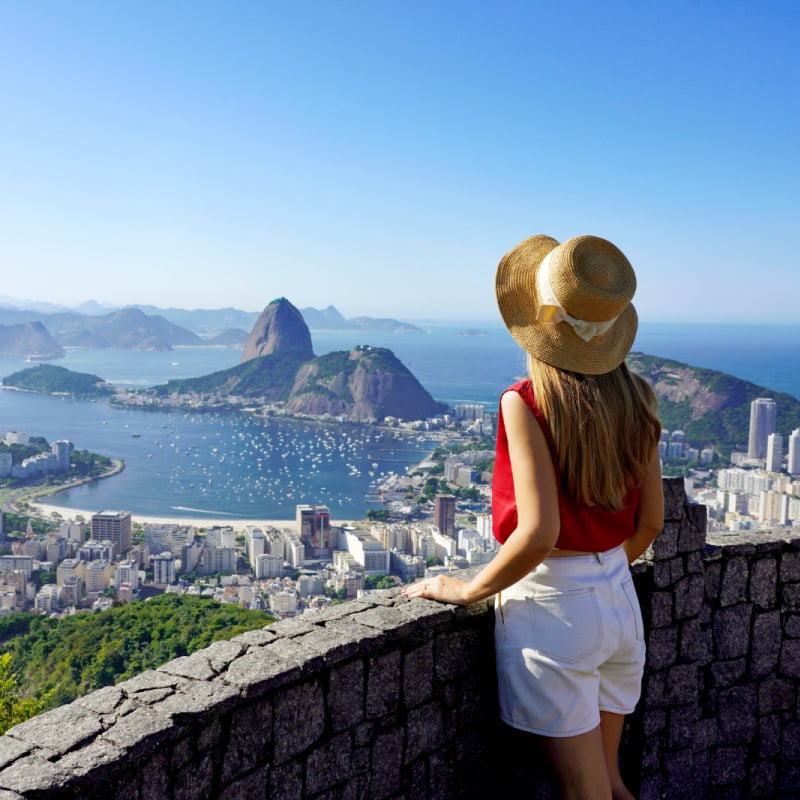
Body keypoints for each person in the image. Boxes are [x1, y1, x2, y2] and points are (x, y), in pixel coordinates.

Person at [402, 234, 663, 800]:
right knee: (613, 783)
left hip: (553, 612)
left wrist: (467, 588)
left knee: (584, 792)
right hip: (619, 602)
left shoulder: (524, 401)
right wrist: (600, 574)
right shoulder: (639, 397)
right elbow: (650, 524)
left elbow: (540, 532)